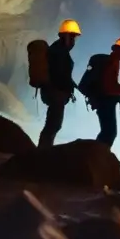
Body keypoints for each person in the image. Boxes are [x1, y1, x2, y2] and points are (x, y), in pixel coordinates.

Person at [38, 19, 81, 148]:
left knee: (53, 125)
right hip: (56, 93)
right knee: (53, 125)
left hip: (55, 93)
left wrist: (72, 86)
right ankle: (43, 152)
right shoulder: (59, 52)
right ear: (65, 36)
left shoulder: (58, 50)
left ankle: (43, 151)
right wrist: (68, 87)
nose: (73, 41)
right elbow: (60, 74)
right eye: (72, 37)